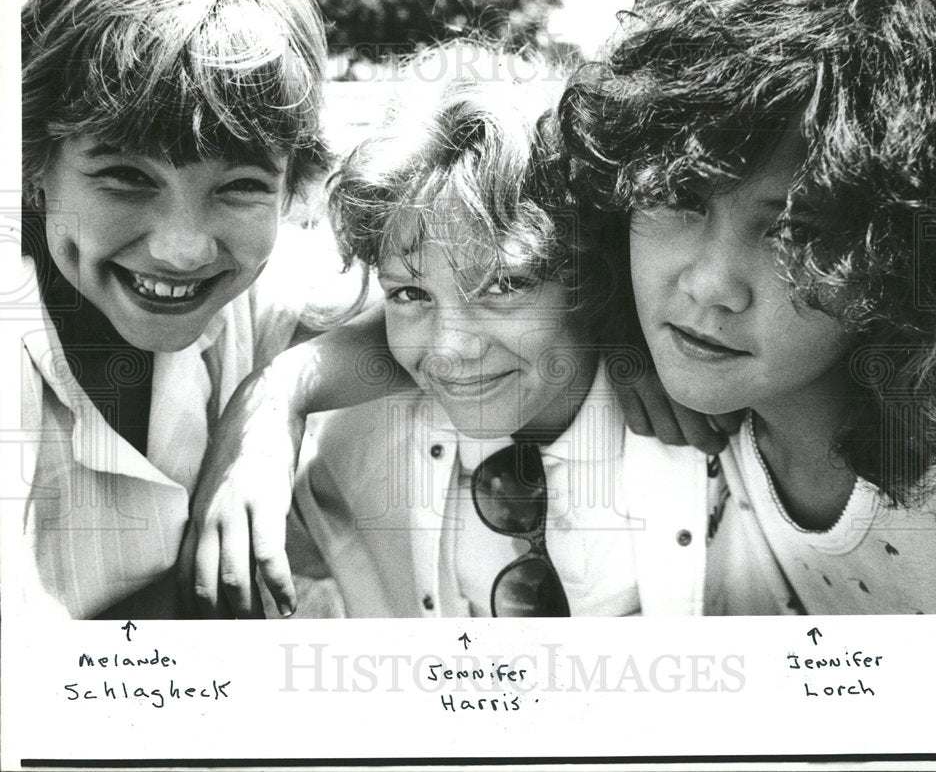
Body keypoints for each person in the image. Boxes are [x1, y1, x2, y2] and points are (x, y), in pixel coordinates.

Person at [182, 42, 721, 618]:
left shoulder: (711, 424)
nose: (450, 348)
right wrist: (270, 400)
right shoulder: (354, 451)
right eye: (411, 295)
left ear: (590, 272)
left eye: (503, 286)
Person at [559, 0, 936, 614]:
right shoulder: (685, 403)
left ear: (897, 255)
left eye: (794, 230)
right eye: (678, 196)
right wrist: (616, 333)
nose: (709, 285)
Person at [14, 0, 357, 618]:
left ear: (288, 188)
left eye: (241, 187)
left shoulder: (254, 296)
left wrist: (272, 406)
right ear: (32, 162)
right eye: (127, 177)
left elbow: (444, 311)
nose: (183, 250)